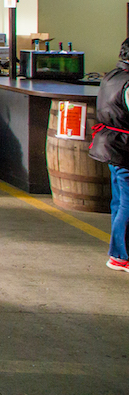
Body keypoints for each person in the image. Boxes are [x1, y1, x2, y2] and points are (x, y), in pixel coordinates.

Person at [89, 38, 129, 272]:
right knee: (127, 205)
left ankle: (118, 251)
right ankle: (121, 256)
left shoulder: (112, 75)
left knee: (120, 202)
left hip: (110, 145)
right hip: (124, 147)